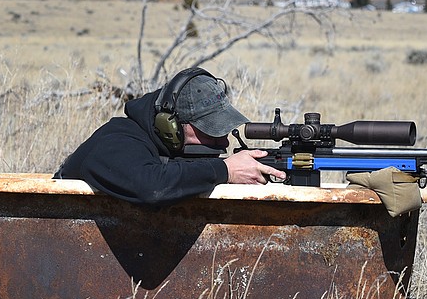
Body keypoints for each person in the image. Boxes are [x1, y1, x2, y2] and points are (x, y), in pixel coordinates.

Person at [55, 68, 285, 205]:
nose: (223, 142)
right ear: (170, 126)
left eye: (222, 132)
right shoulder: (115, 141)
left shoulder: (164, 149)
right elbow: (153, 186)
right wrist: (225, 170)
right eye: (209, 131)